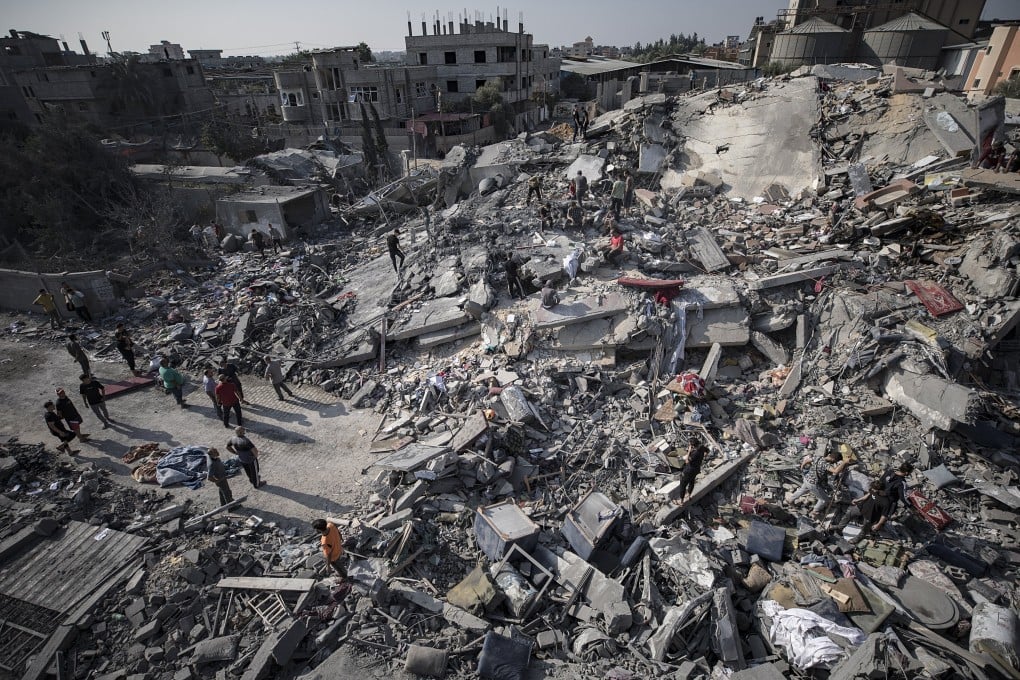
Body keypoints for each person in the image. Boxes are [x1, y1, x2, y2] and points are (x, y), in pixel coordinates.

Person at [788, 449, 847, 518]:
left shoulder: (818, 457)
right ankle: (815, 511)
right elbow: (835, 471)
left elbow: (807, 460)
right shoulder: (825, 464)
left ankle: (790, 500)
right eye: (834, 462)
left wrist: (802, 467)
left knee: (802, 490)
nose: (833, 463)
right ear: (833, 459)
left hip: (807, 479)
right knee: (824, 499)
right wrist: (844, 462)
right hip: (813, 484)